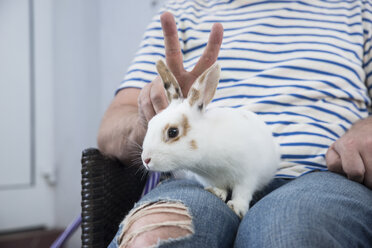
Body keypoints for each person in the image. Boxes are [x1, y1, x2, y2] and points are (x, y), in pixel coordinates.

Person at [98, 1, 372, 247]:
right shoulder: (181, 11)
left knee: (288, 232)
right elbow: (111, 128)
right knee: (155, 235)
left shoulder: (360, 9)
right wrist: (154, 118)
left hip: (322, 175)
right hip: (200, 180)